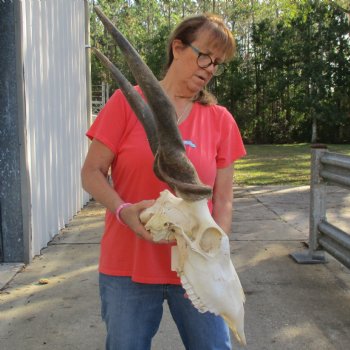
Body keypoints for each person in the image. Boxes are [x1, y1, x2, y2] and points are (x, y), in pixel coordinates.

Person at [81, 12, 246, 350]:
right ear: (177, 47)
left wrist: (216, 248)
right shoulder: (126, 103)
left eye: (216, 63)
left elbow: (224, 198)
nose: (209, 68)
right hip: (128, 266)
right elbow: (91, 173)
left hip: (198, 270)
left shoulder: (220, 120)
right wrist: (123, 210)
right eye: (204, 55)